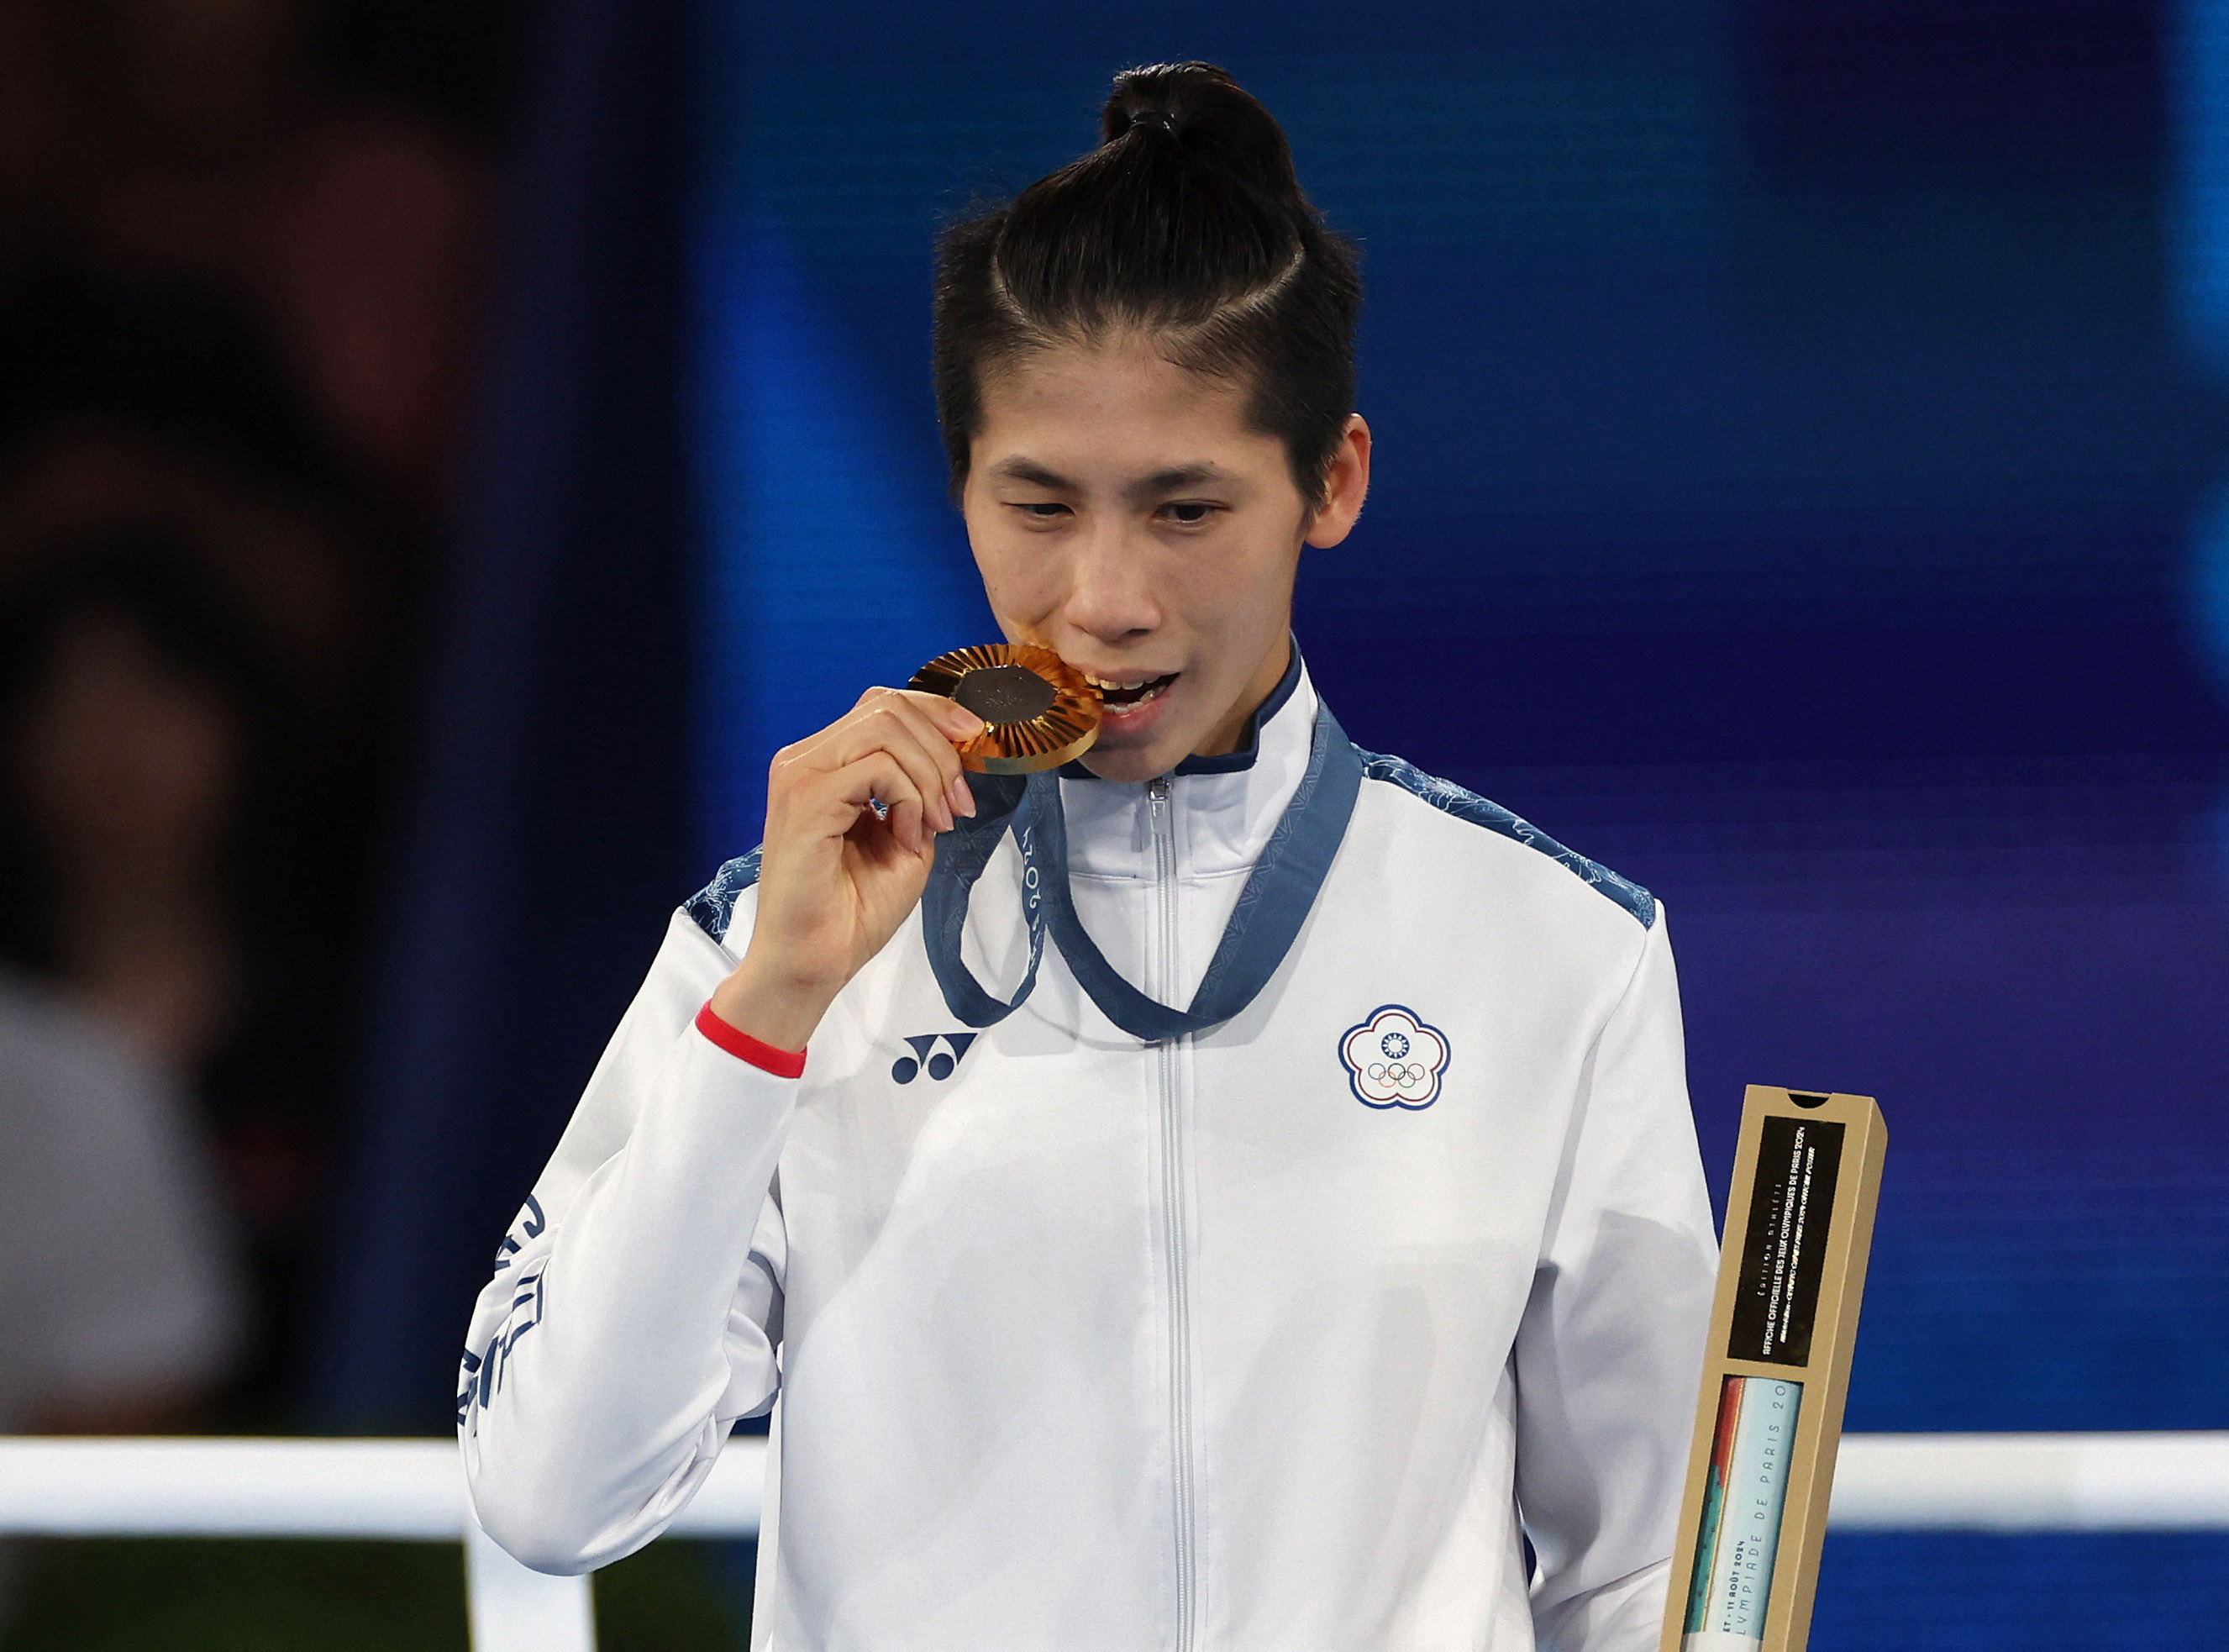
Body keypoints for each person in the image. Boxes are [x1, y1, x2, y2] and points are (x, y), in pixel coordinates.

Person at [460, 62, 1716, 1650]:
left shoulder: (1552, 949)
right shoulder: (771, 945)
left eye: (1184, 510)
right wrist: (767, 1014)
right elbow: (552, 1492)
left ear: (1330, 482)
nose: (1104, 599)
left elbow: (1646, 1565)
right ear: (961, 485)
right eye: (1040, 506)